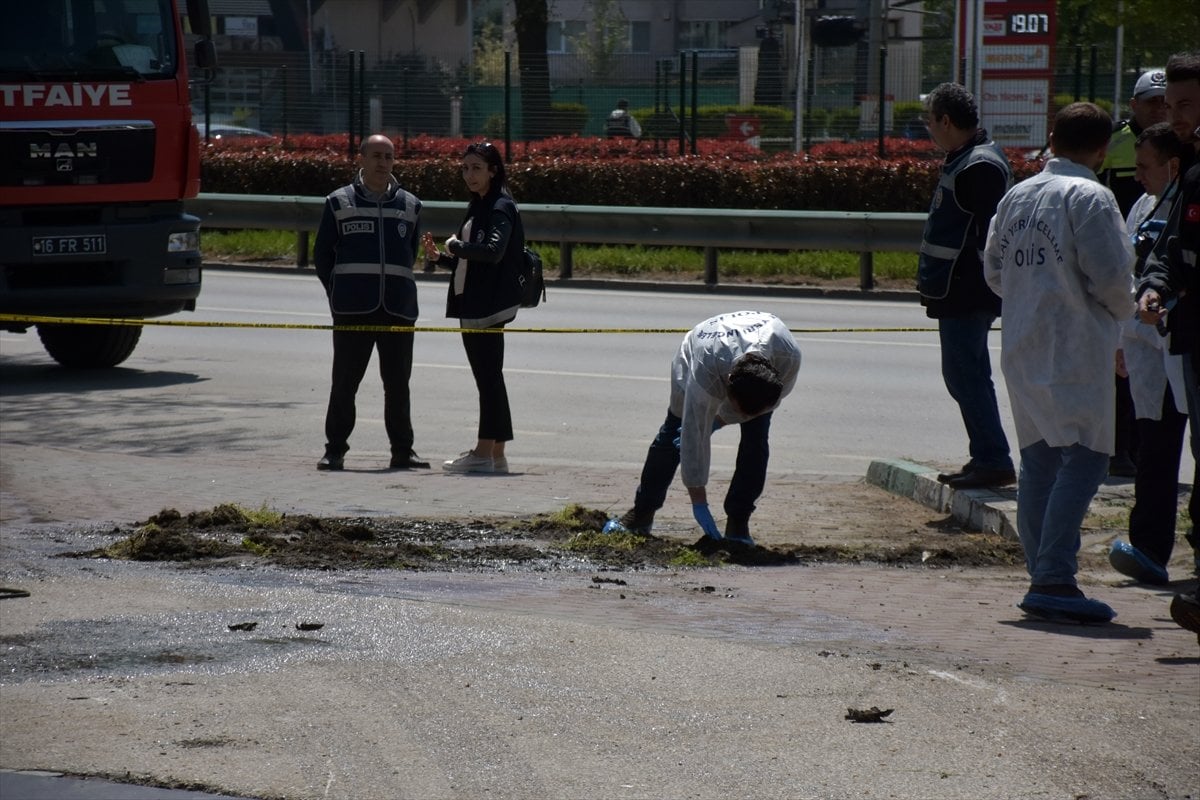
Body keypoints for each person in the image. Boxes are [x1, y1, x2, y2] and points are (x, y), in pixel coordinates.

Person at [983, 102, 1135, 624]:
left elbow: (995, 271)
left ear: (1051, 137)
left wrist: (1035, 295)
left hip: (1023, 342)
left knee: (1042, 460)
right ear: (1102, 149)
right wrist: (1127, 319)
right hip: (1074, 346)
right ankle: (1052, 577)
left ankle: (1043, 575)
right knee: (1087, 458)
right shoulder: (1091, 196)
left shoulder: (1017, 195)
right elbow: (1113, 278)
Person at [603, 311, 801, 546]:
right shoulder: (704, 374)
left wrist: (718, 421)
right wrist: (699, 502)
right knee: (674, 434)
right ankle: (641, 513)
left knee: (756, 439)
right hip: (702, 350)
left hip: (763, 349)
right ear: (727, 390)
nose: (743, 417)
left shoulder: (787, 355)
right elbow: (693, 439)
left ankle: (738, 521)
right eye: (740, 410)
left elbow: (769, 402)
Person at [916, 83, 1016, 490]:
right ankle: (986, 457)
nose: (928, 129)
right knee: (965, 375)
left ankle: (993, 459)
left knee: (965, 376)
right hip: (956, 290)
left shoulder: (979, 165)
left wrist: (985, 288)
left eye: (930, 120)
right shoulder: (965, 157)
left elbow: (987, 241)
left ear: (946, 120)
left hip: (968, 292)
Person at [313, 134, 429, 472]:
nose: (383, 163)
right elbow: (323, 256)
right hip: (352, 309)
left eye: (389, 157)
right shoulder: (338, 202)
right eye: (376, 155)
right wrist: (337, 293)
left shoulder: (410, 204)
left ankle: (402, 451)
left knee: (397, 385)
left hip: (398, 309)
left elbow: (410, 254)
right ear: (361, 159)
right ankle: (334, 450)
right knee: (345, 384)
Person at [1134, 51, 1200, 640]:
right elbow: (1168, 248)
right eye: (1169, 105)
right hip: (1188, 338)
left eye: (1184, 104)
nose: (1174, 115)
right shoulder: (1192, 174)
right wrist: (1156, 287)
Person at [1109, 124, 1192, 586]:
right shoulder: (1141, 206)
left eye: (1145, 166)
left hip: (1183, 347)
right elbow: (1127, 275)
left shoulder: (1189, 207)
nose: (1137, 175)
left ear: (1172, 165)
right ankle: (1148, 549)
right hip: (1145, 350)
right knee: (1153, 450)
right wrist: (1122, 341)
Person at [422, 141, 524, 474]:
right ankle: (495, 456)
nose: (469, 174)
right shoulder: (480, 205)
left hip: (487, 307)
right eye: (465, 168)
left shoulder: (499, 206)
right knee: (490, 379)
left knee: (488, 379)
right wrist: (442, 258)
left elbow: (492, 252)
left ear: (493, 171)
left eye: (477, 168)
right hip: (476, 303)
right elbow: (472, 263)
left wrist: (457, 245)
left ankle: (483, 453)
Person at [1099, 68, 1168, 477]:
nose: (1159, 109)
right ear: (1134, 105)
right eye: (1152, 101)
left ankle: (1143, 452)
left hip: (1156, 263)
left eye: (1166, 101)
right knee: (1122, 370)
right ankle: (1118, 448)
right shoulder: (1115, 142)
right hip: (1122, 253)